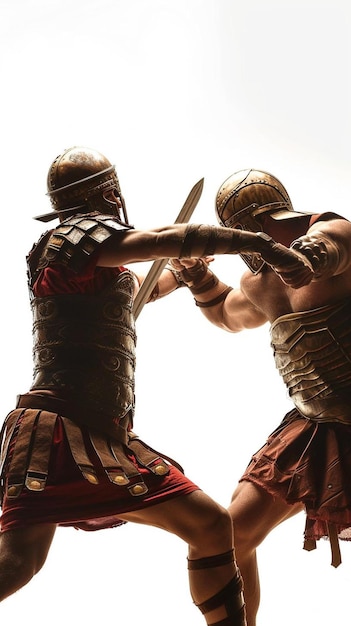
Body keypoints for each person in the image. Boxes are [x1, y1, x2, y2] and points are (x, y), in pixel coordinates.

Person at [0, 150, 311, 624]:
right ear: (108, 193)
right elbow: (162, 239)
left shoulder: (89, 260)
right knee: (20, 563)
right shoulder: (70, 240)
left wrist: (189, 275)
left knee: (211, 526)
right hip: (60, 431)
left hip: (101, 432)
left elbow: (143, 285)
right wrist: (256, 244)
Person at [170, 168, 351, 626]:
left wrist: (306, 254)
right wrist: (195, 279)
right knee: (230, 535)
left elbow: (329, 250)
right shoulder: (259, 284)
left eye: (262, 225)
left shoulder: (331, 229)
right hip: (315, 426)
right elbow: (228, 315)